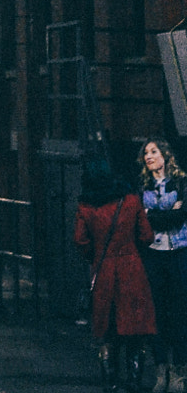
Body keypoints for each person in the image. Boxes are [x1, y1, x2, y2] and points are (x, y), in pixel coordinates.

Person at [76, 160, 157, 391]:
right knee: (135, 328)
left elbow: (80, 240)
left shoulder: (86, 206)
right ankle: (134, 380)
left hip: (103, 272)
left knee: (106, 330)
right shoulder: (130, 201)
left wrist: (97, 255)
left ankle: (110, 381)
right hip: (132, 270)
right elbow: (147, 235)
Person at [141, 141, 187, 393]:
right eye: (146, 153)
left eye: (153, 151)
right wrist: (168, 213)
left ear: (166, 155)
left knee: (179, 312)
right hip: (154, 255)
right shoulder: (144, 187)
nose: (149, 157)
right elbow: (145, 220)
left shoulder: (181, 184)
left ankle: (180, 372)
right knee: (155, 313)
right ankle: (162, 371)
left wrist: (154, 215)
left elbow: (180, 217)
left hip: (179, 252)